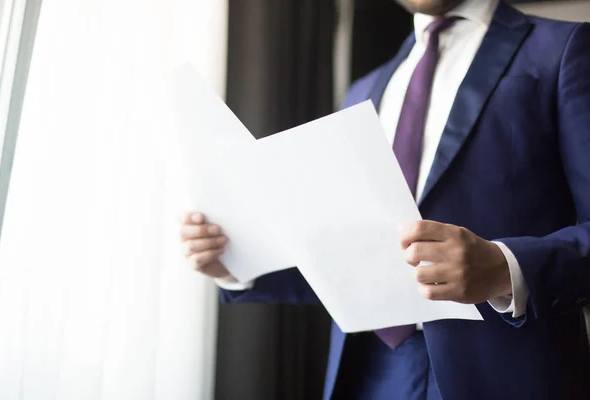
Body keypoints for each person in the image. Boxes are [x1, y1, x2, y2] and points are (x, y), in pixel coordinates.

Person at [179, 0, 590, 398]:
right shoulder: (363, 92)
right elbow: (345, 258)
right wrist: (235, 261)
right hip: (369, 371)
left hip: (508, 373)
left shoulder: (565, 50)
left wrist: (504, 269)